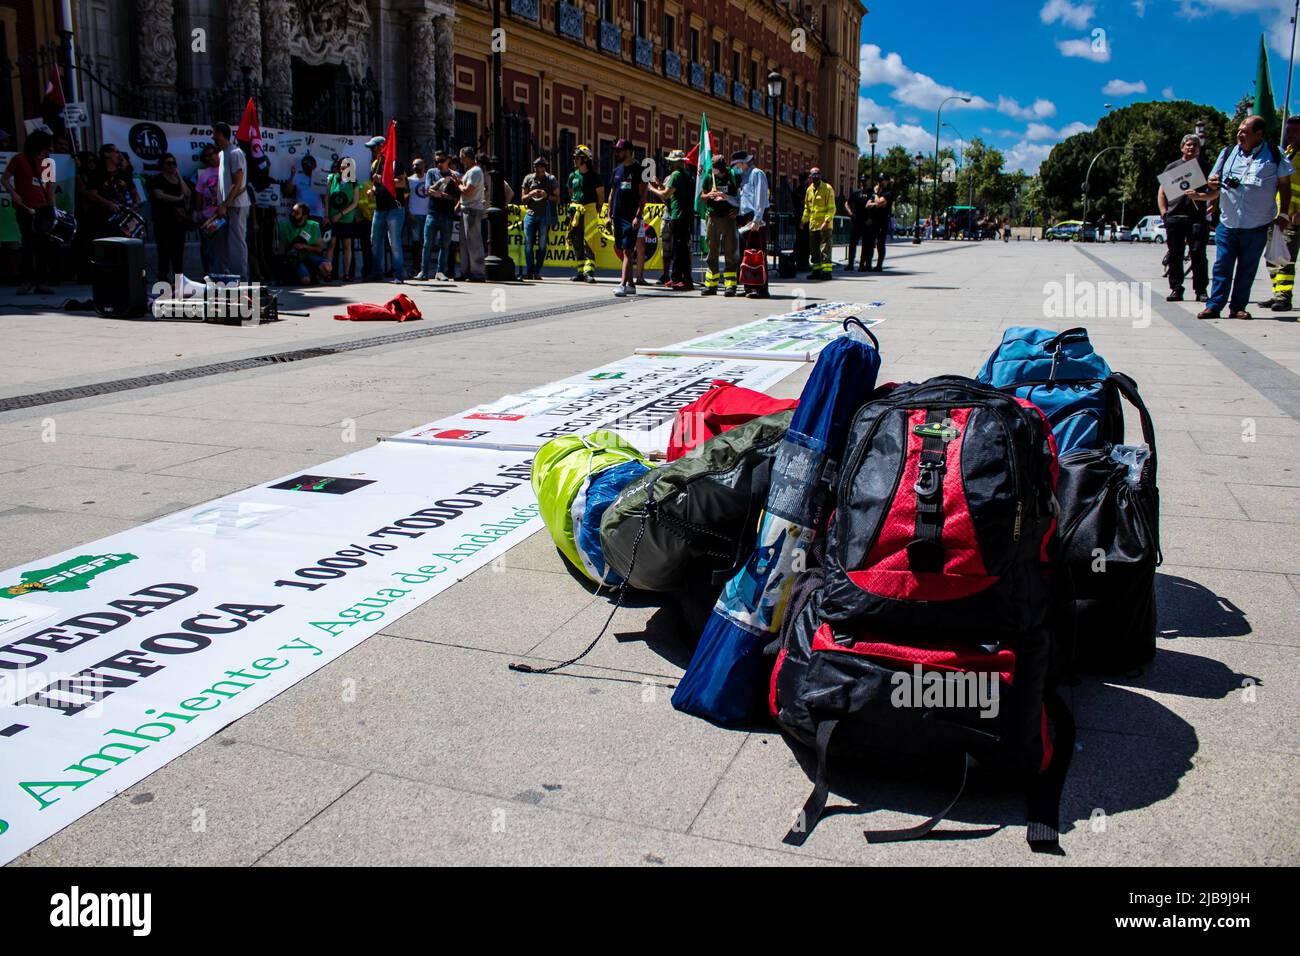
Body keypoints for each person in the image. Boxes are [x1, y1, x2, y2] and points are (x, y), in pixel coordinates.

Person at [1198, 115, 1294, 320]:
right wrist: (1212, 183)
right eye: (1239, 130)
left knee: (1247, 268)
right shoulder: (1228, 152)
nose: (1239, 134)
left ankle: (1238, 307)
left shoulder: (1275, 154)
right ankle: (1214, 305)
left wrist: (1283, 213)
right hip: (1228, 221)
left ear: (1259, 134)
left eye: (1244, 131)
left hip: (1258, 224)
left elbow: (1285, 184)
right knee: (1222, 265)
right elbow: (1213, 181)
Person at [1158, 133, 1211, 303]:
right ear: (1182, 147)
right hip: (1175, 217)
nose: (1191, 147)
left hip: (1197, 218)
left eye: (1195, 145)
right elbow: (1162, 191)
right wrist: (1164, 212)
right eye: (1188, 144)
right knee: (1175, 254)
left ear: (1199, 149)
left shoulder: (1205, 167)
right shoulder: (1172, 167)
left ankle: (1201, 290)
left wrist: (1201, 197)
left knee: (1198, 253)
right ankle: (1176, 288)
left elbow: (1214, 191)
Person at [1, 129, 55, 294]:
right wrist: (13, 193)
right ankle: (27, 281)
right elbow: (4, 178)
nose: (48, 150)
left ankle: (41, 282)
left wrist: (52, 208)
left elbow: (50, 186)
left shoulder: (47, 162)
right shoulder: (19, 159)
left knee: (43, 246)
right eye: (46, 147)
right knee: (28, 244)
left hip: (43, 208)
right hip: (25, 208)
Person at [1261, 115, 1300, 311]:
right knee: (1272, 256)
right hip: (1278, 213)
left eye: (1295, 131)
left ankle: (1284, 297)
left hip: (1294, 215)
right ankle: (1277, 292)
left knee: (1285, 258)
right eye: (1289, 130)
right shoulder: (1287, 152)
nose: (1290, 134)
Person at [606, 138, 647, 297]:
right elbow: (611, 193)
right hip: (617, 215)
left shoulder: (639, 170)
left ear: (629, 152)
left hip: (631, 218)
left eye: (619, 150)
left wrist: (638, 216)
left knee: (628, 251)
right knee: (620, 249)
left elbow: (643, 195)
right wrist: (609, 215)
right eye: (616, 151)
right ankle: (631, 284)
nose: (617, 153)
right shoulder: (616, 170)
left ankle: (622, 285)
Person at [209, 121, 250, 279]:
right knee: (221, 244)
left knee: (236, 243)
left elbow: (237, 181)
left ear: (223, 135)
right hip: (224, 207)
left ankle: (241, 278)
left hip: (236, 205)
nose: (213, 137)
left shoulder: (235, 153)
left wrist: (226, 204)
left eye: (215, 134)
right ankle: (224, 277)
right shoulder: (221, 154)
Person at [648, 148, 692, 290]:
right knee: (684, 249)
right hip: (686, 215)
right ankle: (687, 279)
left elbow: (666, 195)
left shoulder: (675, 175)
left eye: (671, 162)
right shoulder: (687, 174)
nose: (670, 164)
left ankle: (677, 279)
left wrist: (651, 189)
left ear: (676, 163)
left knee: (677, 249)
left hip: (677, 216)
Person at [367, 134, 407, 282]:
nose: (371, 150)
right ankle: (377, 272)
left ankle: (398, 274)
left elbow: (402, 183)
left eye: (373, 148)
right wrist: (373, 191)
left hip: (394, 209)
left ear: (381, 148)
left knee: (394, 242)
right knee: (375, 241)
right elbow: (378, 186)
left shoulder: (396, 163)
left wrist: (384, 179)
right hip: (380, 208)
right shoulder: (375, 165)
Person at [699, 153, 740, 297]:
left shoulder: (733, 176)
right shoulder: (709, 177)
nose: (715, 171)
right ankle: (711, 285)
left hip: (729, 218)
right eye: (713, 168)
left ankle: (730, 285)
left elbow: (741, 195)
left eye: (717, 169)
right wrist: (709, 194)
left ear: (723, 168)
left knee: (730, 251)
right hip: (713, 217)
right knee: (712, 251)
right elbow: (702, 196)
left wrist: (738, 209)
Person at [147, 152, 192, 282]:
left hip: (178, 222)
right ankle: (163, 280)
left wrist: (179, 176)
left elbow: (187, 193)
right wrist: (177, 198)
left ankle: (179, 280)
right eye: (168, 163)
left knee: (178, 253)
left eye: (173, 163)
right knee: (164, 252)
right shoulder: (157, 179)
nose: (171, 166)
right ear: (162, 165)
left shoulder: (179, 180)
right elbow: (159, 195)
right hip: (163, 221)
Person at [733, 150, 770, 297]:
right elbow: (742, 199)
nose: (735, 167)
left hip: (754, 218)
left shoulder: (757, 174)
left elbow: (760, 198)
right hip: (745, 218)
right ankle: (748, 286)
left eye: (736, 164)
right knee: (746, 253)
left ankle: (760, 288)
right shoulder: (743, 177)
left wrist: (757, 219)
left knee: (757, 253)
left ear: (743, 163)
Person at [566, 144, 604, 282]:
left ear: (585, 159)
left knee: (589, 241)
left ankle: (589, 272)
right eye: (574, 158)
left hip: (590, 212)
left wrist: (597, 208)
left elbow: (600, 194)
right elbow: (571, 193)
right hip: (575, 212)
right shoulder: (572, 176)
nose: (574, 160)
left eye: (577, 158)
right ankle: (581, 272)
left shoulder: (595, 176)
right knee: (576, 242)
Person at [417, 151, 457, 281]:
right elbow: (428, 190)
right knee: (427, 243)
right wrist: (440, 182)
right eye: (436, 161)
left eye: (441, 161)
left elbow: (457, 196)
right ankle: (424, 271)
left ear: (448, 161)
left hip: (447, 214)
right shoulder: (431, 173)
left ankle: (440, 272)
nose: (439, 164)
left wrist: (444, 195)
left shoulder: (454, 175)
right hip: (432, 213)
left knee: (445, 244)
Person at [520, 156, 558, 280]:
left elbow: (557, 198)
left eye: (542, 167)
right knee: (528, 244)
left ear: (545, 168)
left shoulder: (551, 179)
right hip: (530, 215)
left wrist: (547, 195)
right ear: (534, 167)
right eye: (537, 166)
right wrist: (531, 193)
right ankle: (530, 271)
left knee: (542, 245)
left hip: (544, 217)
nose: (540, 169)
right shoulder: (528, 179)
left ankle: (537, 271)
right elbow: (523, 199)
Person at [325, 155, 362, 281]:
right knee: (331, 245)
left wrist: (340, 214)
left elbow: (355, 203)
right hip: (332, 218)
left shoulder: (354, 182)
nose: (343, 167)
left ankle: (346, 273)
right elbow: (326, 198)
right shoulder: (331, 178)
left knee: (347, 245)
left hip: (346, 219)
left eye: (346, 165)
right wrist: (326, 215)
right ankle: (328, 273)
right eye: (342, 165)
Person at [277, 201, 332, 284]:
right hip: (295, 260)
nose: (292, 214)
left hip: (310, 257)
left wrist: (305, 246)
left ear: (304, 216)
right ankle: (305, 276)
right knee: (305, 280)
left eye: (296, 213)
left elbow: (320, 248)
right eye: (292, 211)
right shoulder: (283, 225)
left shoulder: (313, 226)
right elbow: (281, 250)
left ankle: (314, 274)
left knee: (327, 267)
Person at [456, 146, 487, 281]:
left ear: (467, 157)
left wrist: (458, 184)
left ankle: (478, 273)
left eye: (462, 158)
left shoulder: (475, 171)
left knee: (473, 242)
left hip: (472, 209)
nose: (461, 161)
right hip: (466, 208)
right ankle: (466, 271)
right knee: (464, 242)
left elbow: (468, 190)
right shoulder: (470, 171)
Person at [802, 166, 835, 280]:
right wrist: (803, 221)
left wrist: (827, 221)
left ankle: (826, 272)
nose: (816, 177)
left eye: (818, 174)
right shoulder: (809, 190)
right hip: (813, 225)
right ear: (810, 177)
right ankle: (816, 271)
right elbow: (807, 208)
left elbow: (831, 208)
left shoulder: (827, 188)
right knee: (814, 249)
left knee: (825, 249)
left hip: (825, 225)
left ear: (820, 176)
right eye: (813, 175)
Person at [193, 144, 221, 275]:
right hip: (208, 218)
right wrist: (199, 212)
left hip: (222, 216)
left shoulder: (225, 170)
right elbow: (198, 193)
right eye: (207, 156)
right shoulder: (204, 174)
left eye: (212, 154)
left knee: (222, 248)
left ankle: (223, 276)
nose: (210, 158)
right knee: (207, 248)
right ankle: (208, 276)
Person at [864, 174, 894, 271]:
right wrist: (876, 203)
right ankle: (868, 264)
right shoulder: (875, 194)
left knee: (880, 244)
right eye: (879, 180)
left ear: (887, 181)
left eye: (882, 180)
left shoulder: (888, 193)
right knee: (870, 243)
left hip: (883, 221)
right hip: (873, 221)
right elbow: (867, 205)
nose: (880, 182)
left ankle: (879, 265)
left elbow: (880, 203)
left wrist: (876, 196)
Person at [406, 157, 428, 277]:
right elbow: (405, 198)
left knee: (426, 243)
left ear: (424, 165)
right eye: (414, 165)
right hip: (414, 215)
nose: (415, 167)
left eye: (418, 164)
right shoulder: (409, 180)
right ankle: (416, 267)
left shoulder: (429, 179)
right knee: (415, 243)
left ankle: (424, 269)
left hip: (427, 215)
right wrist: (408, 212)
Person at [845, 175, 872, 270]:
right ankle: (850, 264)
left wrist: (871, 218)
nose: (863, 182)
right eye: (862, 180)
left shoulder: (872, 193)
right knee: (852, 243)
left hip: (866, 223)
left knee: (866, 244)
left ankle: (862, 265)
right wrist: (850, 212)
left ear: (869, 181)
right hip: (856, 222)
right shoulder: (856, 192)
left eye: (865, 180)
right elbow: (847, 203)